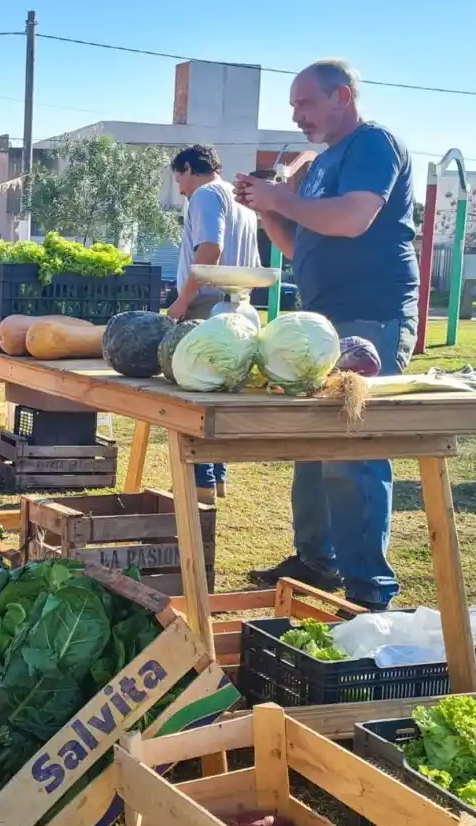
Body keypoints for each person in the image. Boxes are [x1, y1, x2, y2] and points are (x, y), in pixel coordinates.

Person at [235, 59, 418, 611]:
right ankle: (317, 561)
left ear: (342, 96)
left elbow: (353, 219)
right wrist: (266, 212)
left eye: (305, 104)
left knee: (352, 448)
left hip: (371, 314)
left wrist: (279, 200)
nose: (297, 116)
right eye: (293, 106)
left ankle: (369, 589)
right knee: (314, 441)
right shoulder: (322, 162)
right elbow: (302, 245)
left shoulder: (373, 144)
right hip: (324, 317)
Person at [168, 144, 260, 502]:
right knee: (221, 399)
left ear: (189, 168)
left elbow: (210, 251)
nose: (181, 190)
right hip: (239, 309)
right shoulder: (242, 202)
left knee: (194, 398)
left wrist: (181, 301)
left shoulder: (206, 195)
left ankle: (201, 484)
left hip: (207, 308)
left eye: (180, 181)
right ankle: (216, 479)